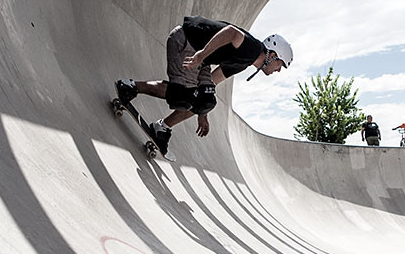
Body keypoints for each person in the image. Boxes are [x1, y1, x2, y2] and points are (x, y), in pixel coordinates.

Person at [116, 15, 292, 155]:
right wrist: (201, 55)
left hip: (202, 60)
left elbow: (213, 82)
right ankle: (131, 86)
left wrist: (202, 111)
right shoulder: (252, 48)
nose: (278, 71)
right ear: (273, 55)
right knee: (183, 96)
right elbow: (231, 32)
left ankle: (162, 127)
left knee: (205, 100)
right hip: (187, 41)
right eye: (280, 65)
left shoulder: (243, 63)